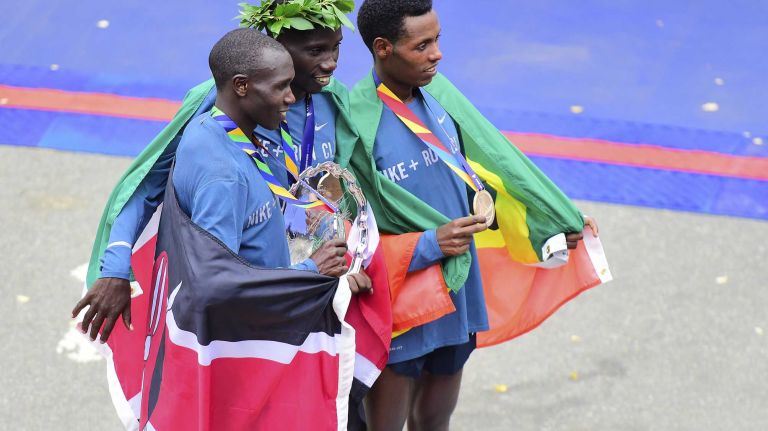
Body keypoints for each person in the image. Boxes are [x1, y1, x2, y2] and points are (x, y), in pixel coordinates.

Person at [335, 1, 604, 430]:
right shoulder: (351, 121)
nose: (437, 54)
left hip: (458, 286)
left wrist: (549, 219)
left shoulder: (441, 97)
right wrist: (427, 243)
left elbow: (493, 166)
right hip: (402, 297)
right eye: (422, 45)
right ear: (383, 48)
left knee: (435, 420)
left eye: (438, 40)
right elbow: (346, 228)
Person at [73, 0, 360, 343]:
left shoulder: (332, 98)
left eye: (336, 47)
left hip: (304, 280)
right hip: (253, 298)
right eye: (316, 50)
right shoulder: (214, 110)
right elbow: (145, 186)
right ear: (276, 46)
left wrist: (349, 259)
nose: (330, 63)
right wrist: (116, 267)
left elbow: (336, 186)